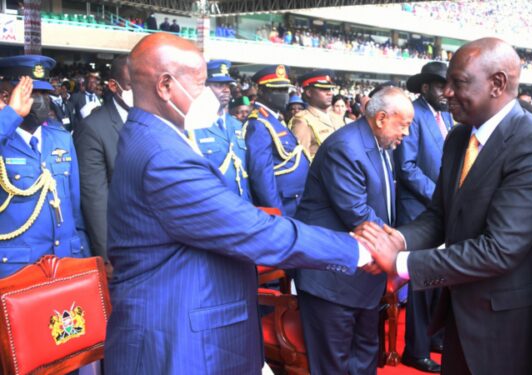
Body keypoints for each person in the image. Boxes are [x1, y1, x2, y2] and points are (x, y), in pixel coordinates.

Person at [104, 32, 376, 375]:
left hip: (187, 320)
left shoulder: (152, 135)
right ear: (165, 86)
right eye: (201, 85)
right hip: (178, 336)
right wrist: (356, 250)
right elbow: (251, 231)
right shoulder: (163, 157)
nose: (210, 97)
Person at [362, 37, 532, 374]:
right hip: (465, 307)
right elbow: (440, 215)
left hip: (512, 321)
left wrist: (401, 262)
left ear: (497, 84)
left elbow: (500, 249)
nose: (447, 93)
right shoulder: (460, 137)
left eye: (457, 83)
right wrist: (398, 240)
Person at [294, 87, 413, 375]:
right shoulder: (346, 147)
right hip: (332, 278)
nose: (406, 133)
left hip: (363, 277)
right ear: (382, 118)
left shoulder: (380, 144)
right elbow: (358, 215)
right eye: (404, 124)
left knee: (364, 359)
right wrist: (395, 250)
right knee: (334, 365)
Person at [0, 56, 90, 278]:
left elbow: (74, 206)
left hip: (65, 260)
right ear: (5, 96)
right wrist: (9, 116)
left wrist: (83, 255)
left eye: (45, 95)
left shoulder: (60, 138)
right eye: (32, 94)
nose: (41, 102)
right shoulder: (4, 139)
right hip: (18, 269)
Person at [395, 60, 453, 373]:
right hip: (418, 212)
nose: (448, 91)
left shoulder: (445, 114)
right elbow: (407, 168)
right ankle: (414, 350)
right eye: (442, 85)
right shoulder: (414, 115)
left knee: (438, 277)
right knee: (420, 283)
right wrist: (441, 197)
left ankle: (433, 336)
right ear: (426, 87)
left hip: (438, 211)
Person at [73, 54, 131, 268]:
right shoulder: (93, 128)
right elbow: (95, 198)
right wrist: (107, 256)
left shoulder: (153, 119)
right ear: (114, 86)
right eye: (132, 84)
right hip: (122, 243)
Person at [244, 65, 309, 215]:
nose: (284, 95)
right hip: (283, 203)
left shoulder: (274, 118)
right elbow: (261, 175)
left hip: (295, 199)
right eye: (277, 90)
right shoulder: (259, 124)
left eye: (285, 90)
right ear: (261, 91)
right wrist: (278, 213)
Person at [187, 59, 251, 200]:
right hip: (213, 206)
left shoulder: (236, 125)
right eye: (218, 85)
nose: (226, 90)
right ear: (203, 88)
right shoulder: (192, 126)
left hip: (243, 204)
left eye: (228, 85)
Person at [289, 69, 342, 158]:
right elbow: (300, 159)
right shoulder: (303, 121)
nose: (330, 93)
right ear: (309, 93)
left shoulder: (336, 117)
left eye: (330, 89)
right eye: (324, 89)